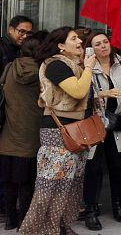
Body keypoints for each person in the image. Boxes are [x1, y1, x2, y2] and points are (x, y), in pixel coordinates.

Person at [19, 27, 95, 235]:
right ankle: (37, 229)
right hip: (57, 131)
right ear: (61, 45)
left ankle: (61, 226)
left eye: (78, 38)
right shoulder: (55, 65)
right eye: (73, 38)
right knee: (51, 184)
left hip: (75, 130)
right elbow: (78, 91)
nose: (79, 42)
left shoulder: (73, 65)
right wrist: (89, 68)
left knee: (70, 184)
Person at [81, 33, 121, 230]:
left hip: (118, 121)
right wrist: (103, 94)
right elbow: (81, 94)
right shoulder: (87, 66)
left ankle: (118, 205)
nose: (103, 46)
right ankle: (91, 209)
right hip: (95, 123)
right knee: (93, 167)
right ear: (91, 48)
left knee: (117, 167)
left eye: (105, 42)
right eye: (97, 44)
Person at [0, 37, 42, 230]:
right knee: (27, 182)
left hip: (8, 134)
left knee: (9, 181)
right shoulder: (41, 72)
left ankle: (10, 220)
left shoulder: (9, 68)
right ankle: (25, 221)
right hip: (31, 135)